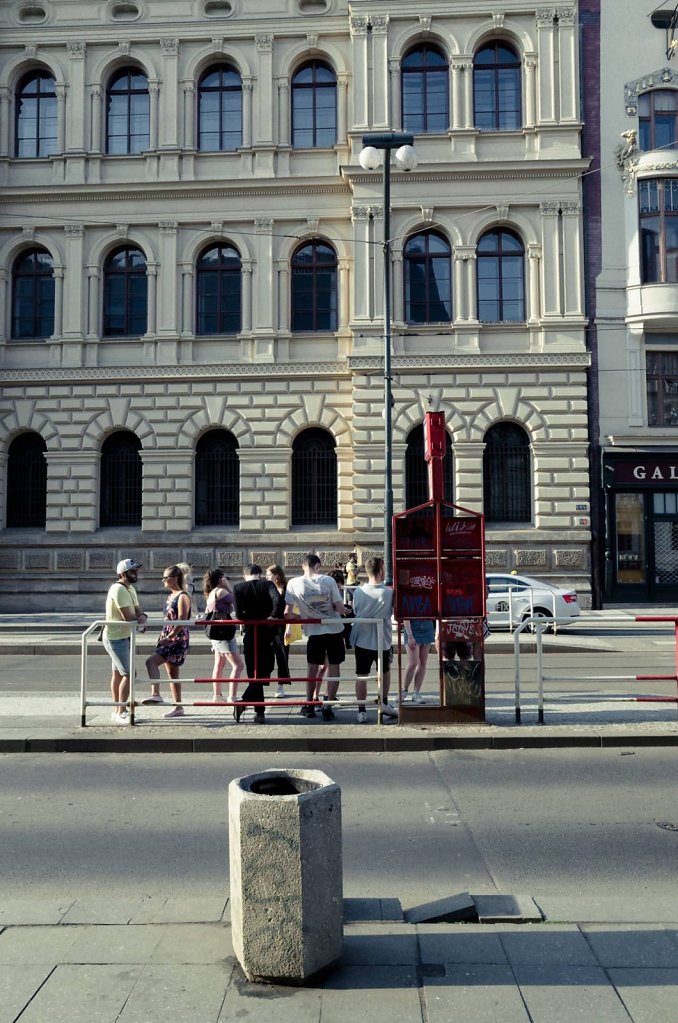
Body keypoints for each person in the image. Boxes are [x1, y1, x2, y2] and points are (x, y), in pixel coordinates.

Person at [284, 553, 346, 720]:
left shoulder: (293, 583)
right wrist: (348, 611)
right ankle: (329, 706)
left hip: (314, 632)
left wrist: (304, 617)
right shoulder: (329, 581)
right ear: (318, 566)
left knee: (312, 669)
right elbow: (339, 608)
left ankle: (309, 704)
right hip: (334, 630)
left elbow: (287, 614)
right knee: (334, 668)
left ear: (302, 566)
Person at [350, 557, 398, 723]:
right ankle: (383, 703)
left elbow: (356, 610)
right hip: (382, 640)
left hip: (362, 639)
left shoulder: (358, 592)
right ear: (381, 571)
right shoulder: (389, 592)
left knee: (361, 675)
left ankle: (361, 710)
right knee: (384, 671)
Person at [233, 564, 279, 724]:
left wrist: (249, 620)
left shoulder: (238, 588)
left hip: (250, 633)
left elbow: (238, 614)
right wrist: (273, 616)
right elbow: (278, 600)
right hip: (267, 632)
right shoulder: (267, 584)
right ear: (259, 574)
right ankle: (255, 709)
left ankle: (257, 711)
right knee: (266, 669)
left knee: (254, 672)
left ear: (245, 575)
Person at [103, 558, 148, 724]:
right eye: (132, 571)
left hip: (123, 635)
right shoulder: (118, 589)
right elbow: (128, 616)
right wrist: (140, 619)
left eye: (136, 570)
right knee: (129, 674)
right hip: (115, 637)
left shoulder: (130, 589)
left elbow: (138, 610)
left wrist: (142, 617)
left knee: (117, 673)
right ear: (122, 574)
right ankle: (121, 711)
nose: (136, 573)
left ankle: (117, 709)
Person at [146, 565, 191, 718]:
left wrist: (170, 636)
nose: (163, 580)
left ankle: (156, 693)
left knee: (151, 662)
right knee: (172, 673)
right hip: (168, 637)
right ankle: (178, 707)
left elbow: (182, 620)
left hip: (176, 639)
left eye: (166, 577)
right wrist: (162, 636)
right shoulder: (170, 596)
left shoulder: (182, 596)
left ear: (175, 579)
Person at [202, 568, 244, 704]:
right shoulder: (221, 591)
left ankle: (217, 695)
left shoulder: (211, 593)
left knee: (219, 664)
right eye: (225, 578)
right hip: (223, 633)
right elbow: (238, 602)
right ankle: (232, 696)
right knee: (238, 665)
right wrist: (228, 587)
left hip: (215, 633)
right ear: (220, 579)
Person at [266, 564, 291, 699]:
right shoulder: (266, 588)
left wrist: (289, 627)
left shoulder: (286, 589)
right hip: (268, 626)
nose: (266, 577)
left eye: (269, 574)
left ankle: (281, 685)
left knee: (282, 656)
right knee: (267, 655)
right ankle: (264, 682)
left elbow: (290, 609)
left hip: (282, 625)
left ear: (277, 575)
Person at [400, 618, 435, 703]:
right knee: (413, 662)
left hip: (427, 627)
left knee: (423, 662)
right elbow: (405, 617)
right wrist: (410, 636)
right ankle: (404, 690)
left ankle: (416, 692)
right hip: (412, 629)